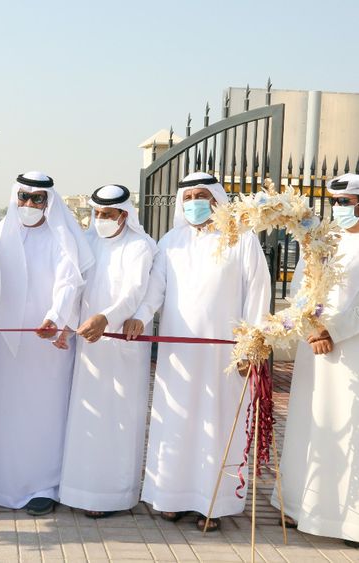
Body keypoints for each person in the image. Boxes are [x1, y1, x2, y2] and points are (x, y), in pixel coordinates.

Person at [130, 171, 270, 531]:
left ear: (217, 198)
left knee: (217, 423)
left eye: (202, 194)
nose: (194, 202)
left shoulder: (242, 239)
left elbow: (257, 293)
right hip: (179, 355)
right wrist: (140, 318)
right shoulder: (171, 241)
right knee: (177, 421)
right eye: (188, 195)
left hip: (225, 358)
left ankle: (213, 504)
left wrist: (251, 347)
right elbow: (155, 290)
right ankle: (172, 497)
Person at [0, 171, 93, 516]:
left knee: (45, 413)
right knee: (9, 413)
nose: (29, 205)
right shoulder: (2, 233)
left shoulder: (61, 237)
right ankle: (5, 485)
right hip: (9, 344)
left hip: (49, 343)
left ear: (49, 203)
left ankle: (44, 486)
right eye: (24, 198)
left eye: (38, 199)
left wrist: (55, 317)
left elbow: (69, 282)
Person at [59, 184, 156, 518]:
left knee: (119, 417)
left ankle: (113, 496)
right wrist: (65, 323)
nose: (100, 220)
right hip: (88, 344)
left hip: (121, 346)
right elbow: (74, 286)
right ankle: (80, 489)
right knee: (88, 416)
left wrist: (106, 318)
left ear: (124, 215)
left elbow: (134, 292)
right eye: (96, 214)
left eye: (107, 215)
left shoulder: (141, 246)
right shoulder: (88, 242)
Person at [273, 173, 359, 547]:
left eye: (346, 203)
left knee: (348, 427)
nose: (339, 210)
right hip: (313, 350)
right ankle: (302, 505)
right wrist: (309, 325)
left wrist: (333, 331)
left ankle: (349, 523)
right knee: (312, 423)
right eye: (335, 203)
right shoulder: (324, 243)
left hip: (351, 352)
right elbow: (300, 289)